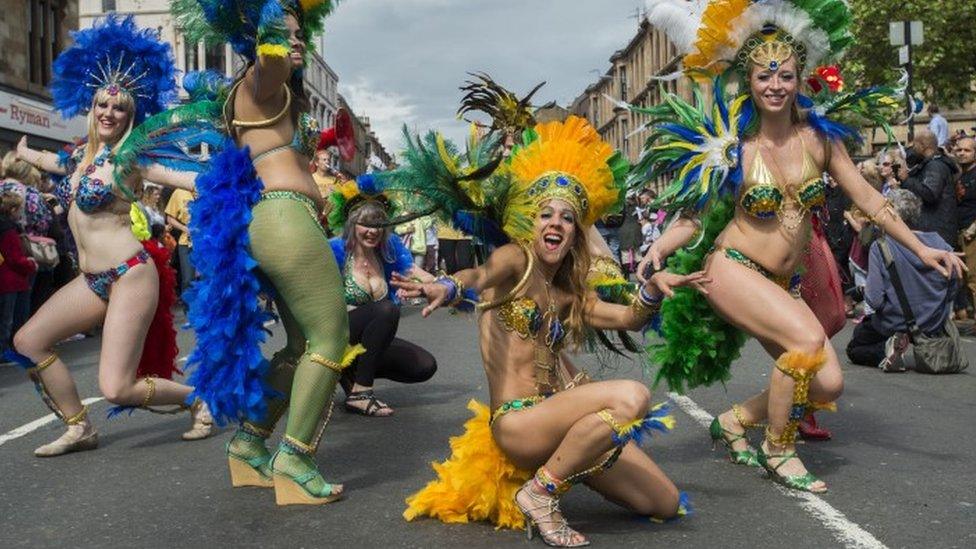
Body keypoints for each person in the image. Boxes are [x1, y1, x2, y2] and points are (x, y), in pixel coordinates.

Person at [636, 0, 965, 493]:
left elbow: (872, 200)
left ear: (799, 78)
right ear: (748, 80)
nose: (775, 86)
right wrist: (660, 246)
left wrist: (921, 250)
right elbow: (695, 216)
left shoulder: (819, 140)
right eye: (765, 77)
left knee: (828, 383)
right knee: (806, 344)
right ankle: (779, 448)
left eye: (785, 75)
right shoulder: (734, 148)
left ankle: (732, 421)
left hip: (782, 282)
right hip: (733, 269)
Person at [384, 116, 697, 547]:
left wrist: (651, 291)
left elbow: (628, 319)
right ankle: (542, 492)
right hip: (520, 423)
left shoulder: (569, 293)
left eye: (567, 218)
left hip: (561, 418)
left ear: (575, 233)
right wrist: (448, 285)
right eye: (545, 214)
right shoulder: (517, 261)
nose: (555, 223)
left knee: (663, 502)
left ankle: (567, 463)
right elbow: (479, 274)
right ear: (531, 223)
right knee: (632, 397)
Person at [174, 0, 357, 505]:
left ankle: (250, 446)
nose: (297, 41)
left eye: (301, 33)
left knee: (301, 348)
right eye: (287, 32)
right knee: (329, 340)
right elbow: (273, 57)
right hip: (283, 218)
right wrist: (271, 29)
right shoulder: (261, 79)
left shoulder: (268, 94)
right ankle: (295, 460)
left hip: (275, 222)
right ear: (259, 37)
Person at [11, 15, 213, 457]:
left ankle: (197, 397)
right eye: (103, 104)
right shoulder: (79, 159)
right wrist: (24, 152)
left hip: (128, 275)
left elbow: (183, 177)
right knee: (28, 340)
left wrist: (226, 178)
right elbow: (52, 163)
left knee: (117, 387)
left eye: (119, 108)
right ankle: (78, 427)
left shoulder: (132, 162)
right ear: (92, 107)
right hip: (91, 279)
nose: (109, 112)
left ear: (130, 115)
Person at [325, 179, 438, 416]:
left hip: (366, 339)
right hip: (335, 333)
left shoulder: (388, 251)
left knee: (424, 366)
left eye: (379, 224)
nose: (373, 231)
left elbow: (417, 273)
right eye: (366, 223)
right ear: (351, 224)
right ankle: (360, 392)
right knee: (386, 309)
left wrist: (454, 286)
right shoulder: (335, 251)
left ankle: (350, 373)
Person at [845, 190, 958, 371]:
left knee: (856, 346)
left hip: (894, 322)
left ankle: (887, 350)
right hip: (932, 322)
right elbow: (952, 289)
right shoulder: (942, 245)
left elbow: (875, 299)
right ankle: (899, 344)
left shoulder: (881, 246)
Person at [902, 129, 960, 249]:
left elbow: (930, 194)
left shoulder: (935, 166)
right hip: (934, 231)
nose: (913, 148)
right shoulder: (930, 164)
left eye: (915, 145)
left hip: (938, 233)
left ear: (923, 145)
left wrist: (907, 180)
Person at [1, 192, 37, 356]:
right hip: (11, 280)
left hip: (8, 279)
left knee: (7, 318)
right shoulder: (8, 230)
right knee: (10, 318)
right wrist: (30, 264)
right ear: (13, 209)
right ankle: (6, 351)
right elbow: (14, 258)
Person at [954, 137, 976, 318]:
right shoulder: (959, 174)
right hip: (959, 233)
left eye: (967, 150)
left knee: (974, 280)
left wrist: (973, 229)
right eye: (959, 149)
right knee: (964, 280)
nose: (962, 153)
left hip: (972, 234)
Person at [164, 187, 195, 297]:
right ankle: (189, 310)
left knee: (206, 278)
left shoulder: (209, 189)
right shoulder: (179, 192)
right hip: (187, 242)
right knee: (188, 278)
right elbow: (170, 218)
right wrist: (185, 228)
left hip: (208, 241)